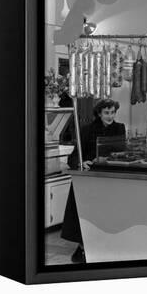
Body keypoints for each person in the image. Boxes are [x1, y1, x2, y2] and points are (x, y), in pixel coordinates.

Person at [62, 99, 126, 263]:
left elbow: (123, 151)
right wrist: (81, 162)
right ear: (99, 113)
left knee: (106, 215)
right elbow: (75, 155)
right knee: (84, 214)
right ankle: (82, 247)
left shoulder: (120, 128)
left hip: (110, 176)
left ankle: (105, 245)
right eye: (106, 113)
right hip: (89, 176)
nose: (110, 116)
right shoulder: (86, 129)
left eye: (112, 112)